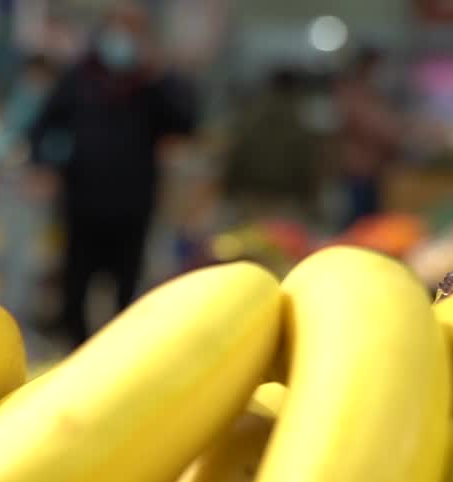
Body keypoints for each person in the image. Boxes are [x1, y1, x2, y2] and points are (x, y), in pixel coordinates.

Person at [28, 2, 198, 346]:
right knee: (75, 283)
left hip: (132, 204)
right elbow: (43, 126)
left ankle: (120, 353)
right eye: (117, 27)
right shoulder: (79, 77)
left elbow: (186, 123)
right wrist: (43, 167)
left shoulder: (153, 85)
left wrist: (159, 77)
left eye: (132, 29)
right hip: (82, 200)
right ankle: (71, 346)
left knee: (126, 287)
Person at [220, 68, 322, 224]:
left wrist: (229, 190)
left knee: (252, 242)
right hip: (286, 198)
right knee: (280, 244)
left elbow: (238, 153)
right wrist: (310, 199)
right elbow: (305, 161)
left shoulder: (253, 115)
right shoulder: (296, 120)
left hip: (251, 195)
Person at [335, 48, 402, 229]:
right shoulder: (354, 93)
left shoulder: (372, 94)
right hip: (359, 170)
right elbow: (376, 127)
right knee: (358, 222)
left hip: (375, 170)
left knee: (370, 223)